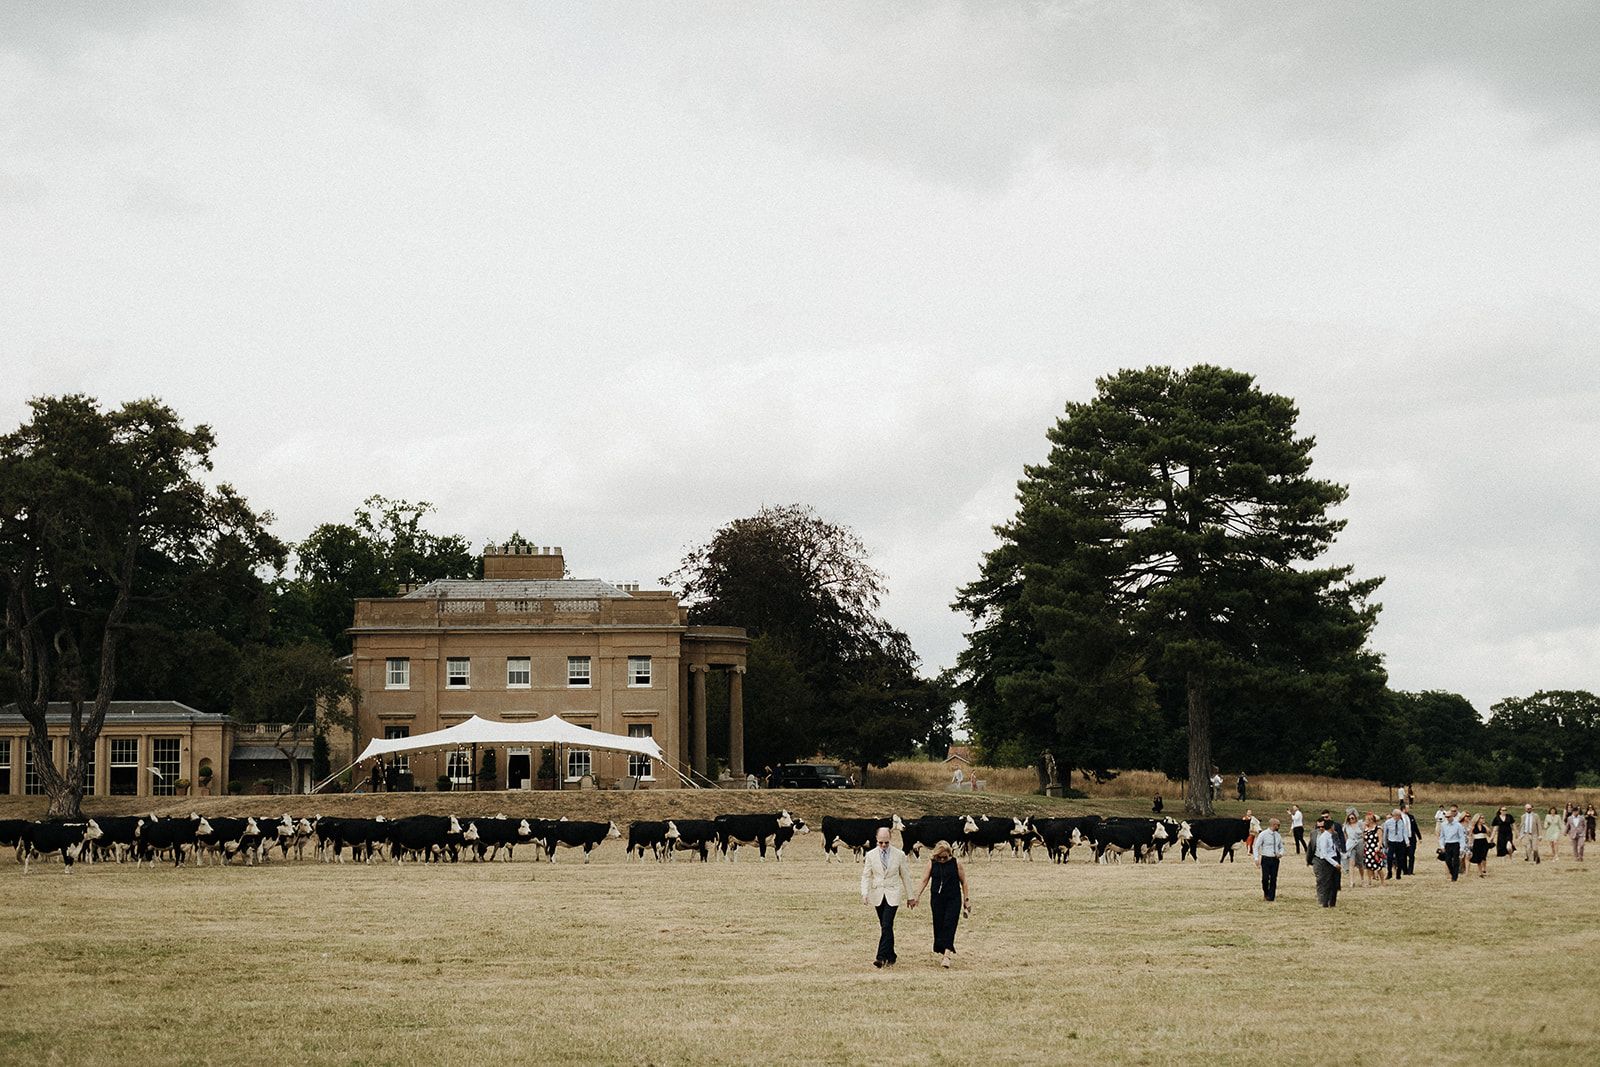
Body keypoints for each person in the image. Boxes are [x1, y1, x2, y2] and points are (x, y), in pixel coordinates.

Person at [907, 840, 970, 968]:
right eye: (939, 857)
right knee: (939, 925)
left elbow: (964, 882)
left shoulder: (956, 863)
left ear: (950, 855)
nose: (942, 860)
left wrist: (966, 900)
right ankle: (942, 948)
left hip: (953, 899)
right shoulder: (932, 863)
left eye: (945, 857)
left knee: (949, 924)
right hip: (937, 899)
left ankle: (947, 955)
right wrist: (916, 896)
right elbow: (924, 880)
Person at [861, 826, 914, 968]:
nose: (883, 845)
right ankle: (891, 955)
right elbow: (866, 875)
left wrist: (911, 896)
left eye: (886, 842)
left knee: (886, 924)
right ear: (876, 840)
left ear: (890, 839)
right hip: (877, 893)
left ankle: (881, 957)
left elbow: (906, 876)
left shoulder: (899, 855)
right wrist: (864, 893)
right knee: (885, 927)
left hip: (893, 893)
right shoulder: (871, 855)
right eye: (880, 842)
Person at [1253, 817, 1285, 901]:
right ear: (1273, 825)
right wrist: (1256, 858)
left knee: (1274, 878)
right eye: (1278, 825)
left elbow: (1281, 847)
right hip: (1266, 858)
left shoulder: (1278, 835)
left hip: (1275, 859)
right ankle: (1266, 893)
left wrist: (1280, 854)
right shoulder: (1263, 834)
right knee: (1265, 878)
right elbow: (1256, 847)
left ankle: (1271, 897)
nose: (1279, 827)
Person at [1314, 817, 1342, 907]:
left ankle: (1332, 902)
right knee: (1327, 882)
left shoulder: (1332, 836)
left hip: (1334, 858)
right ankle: (1325, 902)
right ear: (1331, 826)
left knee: (1335, 882)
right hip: (1327, 861)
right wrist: (1335, 863)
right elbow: (1324, 854)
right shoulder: (1324, 837)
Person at [1382, 808, 1411, 881]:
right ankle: (1389, 872)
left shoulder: (1401, 822)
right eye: (1397, 816)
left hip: (1400, 842)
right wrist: (1385, 843)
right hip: (1391, 842)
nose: (1398, 817)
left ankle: (1398, 873)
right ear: (1394, 815)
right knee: (1389, 857)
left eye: (1399, 816)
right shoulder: (1388, 823)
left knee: (1400, 859)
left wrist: (1407, 842)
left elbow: (1404, 832)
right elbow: (1385, 833)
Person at [1439, 807, 1466, 882]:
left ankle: (1454, 877)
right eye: (1446, 817)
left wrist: (1461, 848)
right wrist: (1442, 846)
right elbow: (1442, 836)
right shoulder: (1443, 825)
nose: (1447, 818)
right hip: (1448, 844)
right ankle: (1452, 872)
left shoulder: (1458, 825)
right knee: (1447, 860)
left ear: (1452, 816)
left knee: (1456, 861)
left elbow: (1461, 837)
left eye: (1449, 817)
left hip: (1455, 843)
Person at [1361, 812, 1386, 886]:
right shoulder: (1366, 829)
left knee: (1378, 866)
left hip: (1375, 849)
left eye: (1366, 820)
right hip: (1368, 849)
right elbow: (1364, 839)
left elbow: (1380, 839)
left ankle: (1382, 882)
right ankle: (1369, 881)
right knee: (1368, 866)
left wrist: (1378, 848)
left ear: (1371, 820)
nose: (1365, 821)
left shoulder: (1378, 829)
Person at [1342, 811, 1362, 886]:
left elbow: (1363, 833)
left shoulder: (1360, 824)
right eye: (1349, 818)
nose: (1351, 819)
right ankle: (1351, 881)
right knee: (1351, 863)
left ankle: (1362, 879)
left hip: (1359, 844)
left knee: (1360, 864)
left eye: (1352, 818)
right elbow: (1345, 837)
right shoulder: (1346, 826)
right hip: (1351, 845)